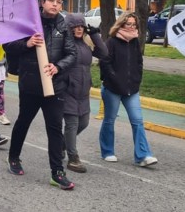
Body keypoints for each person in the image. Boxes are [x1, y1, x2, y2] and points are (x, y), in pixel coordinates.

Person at [4, 0, 77, 190]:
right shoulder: (29, 23)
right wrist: (27, 43)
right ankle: (13, 158)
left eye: (59, 2)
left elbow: (72, 54)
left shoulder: (63, 25)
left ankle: (57, 172)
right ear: (42, 2)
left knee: (55, 129)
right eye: (51, 1)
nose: (55, 4)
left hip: (55, 86)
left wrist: (58, 67)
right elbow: (8, 45)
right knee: (23, 122)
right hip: (30, 84)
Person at [98, 13, 158, 167]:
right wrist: (114, 79)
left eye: (134, 24)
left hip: (132, 89)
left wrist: (137, 79)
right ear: (121, 25)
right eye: (128, 24)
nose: (131, 27)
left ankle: (143, 155)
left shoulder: (135, 42)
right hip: (112, 88)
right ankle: (107, 152)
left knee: (137, 121)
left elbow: (139, 62)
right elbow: (104, 63)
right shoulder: (111, 42)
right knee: (109, 120)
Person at [63, 14, 108, 173]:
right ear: (69, 28)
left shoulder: (85, 44)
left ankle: (61, 145)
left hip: (83, 92)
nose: (79, 29)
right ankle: (73, 158)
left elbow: (104, 53)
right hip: (68, 90)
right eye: (75, 27)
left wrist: (95, 35)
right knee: (72, 124)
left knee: (84, 122)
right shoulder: (64, 44)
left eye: (81, 26)